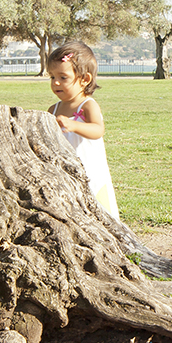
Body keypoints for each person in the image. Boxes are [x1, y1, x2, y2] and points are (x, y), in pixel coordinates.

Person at [46, 41, 120, 221]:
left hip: (91, 171)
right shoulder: (53, 110)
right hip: (64, 171)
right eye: (52, 77)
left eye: (63, 77)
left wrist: (74, 125)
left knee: (100, 210)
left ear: (85, 79)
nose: (56, 82)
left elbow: (98, 130)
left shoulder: (88, 106)